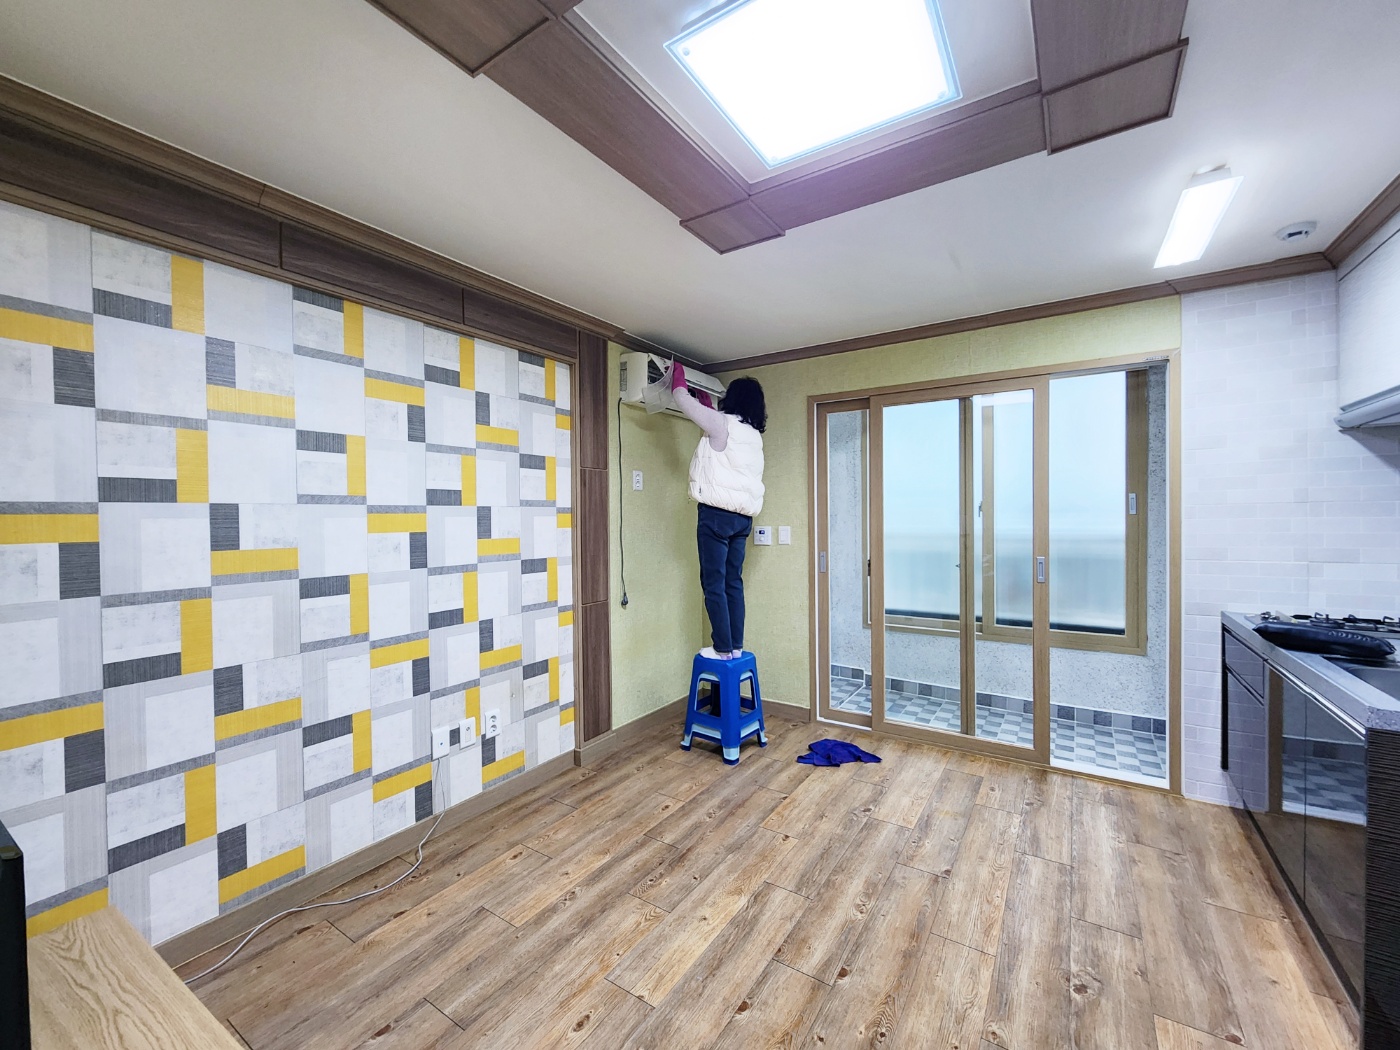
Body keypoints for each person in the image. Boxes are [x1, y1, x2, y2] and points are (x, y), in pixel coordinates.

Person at [669, 363, 766, 661]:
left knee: (713, 583)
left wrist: (677, 377)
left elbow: (682, 401)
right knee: (732, 582)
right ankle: (735, 646)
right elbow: (718, 441)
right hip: (742, 520)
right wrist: (707, 406)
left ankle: (722, 649)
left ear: (732, 399)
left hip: (715, 516)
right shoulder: (753, 436)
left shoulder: (722, 424)